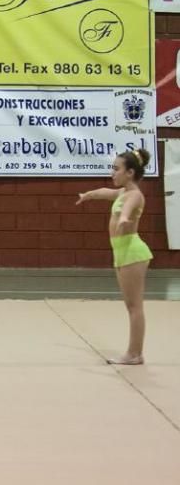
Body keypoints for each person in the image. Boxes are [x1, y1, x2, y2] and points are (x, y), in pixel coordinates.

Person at [76, 148, 153, 365]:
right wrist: (88, 195)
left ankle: (135, 354)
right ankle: (135, 352)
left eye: (116, 169)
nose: (113, 173)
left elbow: (128, 209)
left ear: (130, 173)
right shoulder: (122, 193)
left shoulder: (134, 195)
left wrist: (124, 219)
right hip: (122, 252)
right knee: (131, 305)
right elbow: (104, 192)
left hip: (132, 252)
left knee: (135, 306)